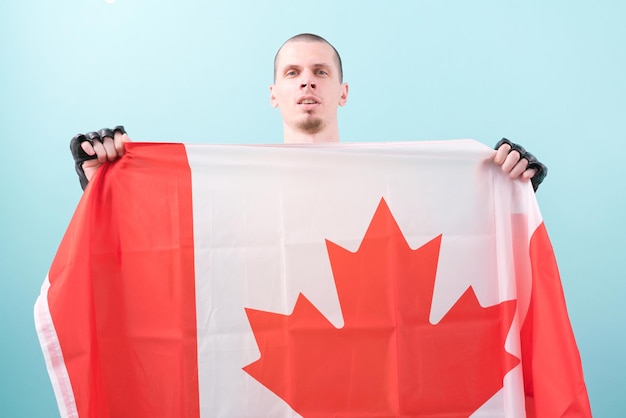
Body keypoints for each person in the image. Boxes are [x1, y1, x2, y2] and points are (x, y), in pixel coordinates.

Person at [70, 33, 547, 190]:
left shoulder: (391, 183)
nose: (307, 81)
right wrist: (104, 181)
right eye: (293, 72)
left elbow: (462, 243)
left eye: (321, 72)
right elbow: (163, 253)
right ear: (274, 93)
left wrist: (504, 186)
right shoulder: (236, 184)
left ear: (342, 92)